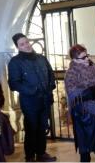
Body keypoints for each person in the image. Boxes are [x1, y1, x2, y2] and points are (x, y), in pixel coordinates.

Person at [7, 33, 57, 162]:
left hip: (45, 100)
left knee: (42, 128)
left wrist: (51, 87)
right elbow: (13, 83)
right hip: (30, 102)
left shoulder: (41, 58)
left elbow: (51, 74)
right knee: (31, 129)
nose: (26, 45)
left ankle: (41, 153)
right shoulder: (15, 62)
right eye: (22, 44)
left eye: (27, 42)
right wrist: (32, 90)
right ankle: (29, 157)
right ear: (18, 47)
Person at [64, 45, 95, 162]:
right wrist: (91, 92)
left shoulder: (93, 66)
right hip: (83, 114)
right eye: (83, 57)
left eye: (87, 56)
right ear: (74, 59)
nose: (87, 59)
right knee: (85, 146)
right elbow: (73, 94)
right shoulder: (71, 73)